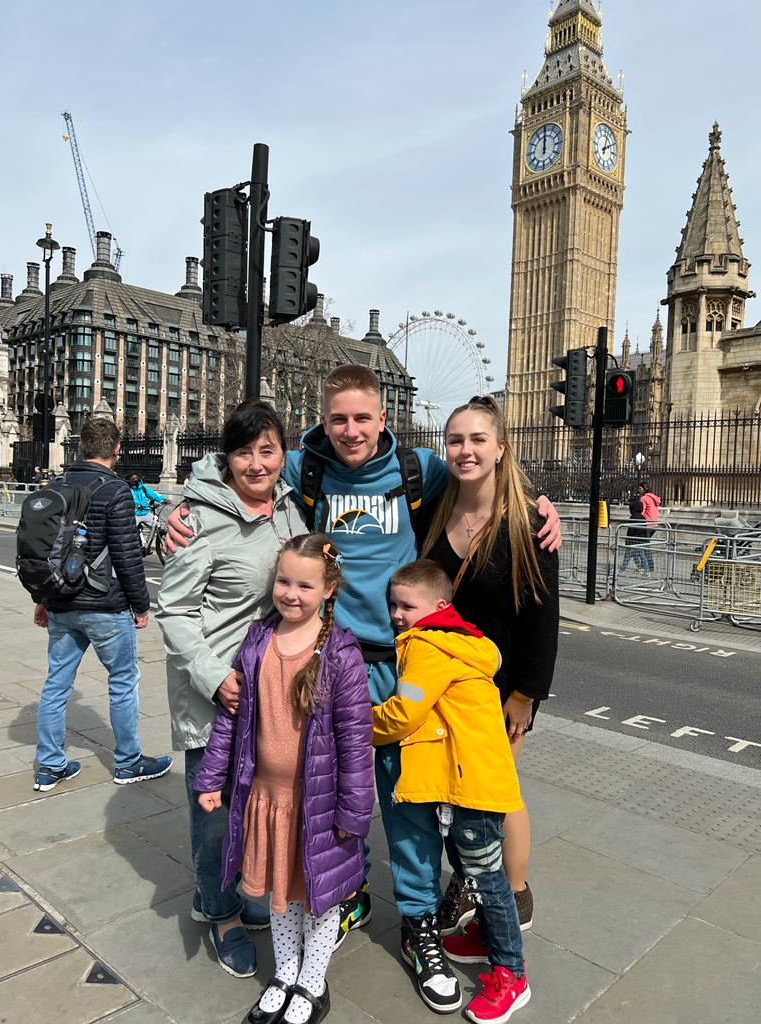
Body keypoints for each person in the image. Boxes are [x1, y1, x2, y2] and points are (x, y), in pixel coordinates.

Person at [166, 365, 562, 1013]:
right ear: (323, 420)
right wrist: (182, 508)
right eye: (338, 418)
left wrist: (539, 504)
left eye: (363, 418)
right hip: (327, 668)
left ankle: (419, 924)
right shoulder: (307, 466)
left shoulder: (418, 470)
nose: (350, 430)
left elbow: (482, 469)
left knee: (407, 804)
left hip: (401, 666)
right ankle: (342, 898)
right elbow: (237, 462)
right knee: (322, 800)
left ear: (384, 419)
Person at [195, 534, 374, 1024]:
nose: (290, 594)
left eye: (305, 585)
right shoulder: (257, 640)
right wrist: (212, 777)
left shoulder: (341, 653)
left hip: (317, 803)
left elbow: (357, 740)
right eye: (283, 581)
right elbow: (231, 719)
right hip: (267, 799)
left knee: (318, 898)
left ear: (329, 590)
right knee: (281, 892)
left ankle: (313, 984)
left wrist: (353, 812)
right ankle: (285, 972)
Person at [157, 401, 307, 978]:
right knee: (214, 809)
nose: (256, 463)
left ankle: (233, 890)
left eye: (267, 449)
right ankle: (218, 911)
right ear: (228, 457)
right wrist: (214, 677)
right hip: (216, 689)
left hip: (271, 689)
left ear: (282, 454)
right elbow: (173, 611)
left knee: (253, 800)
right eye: (244, 451)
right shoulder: (198, 516)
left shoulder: (290, 510)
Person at [419, 395, 559, 947]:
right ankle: (472, 886)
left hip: (502, 690)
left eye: (478, 439)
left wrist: (525, 694)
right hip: (446, 683)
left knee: (493, 795)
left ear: (501, 448)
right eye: (456, 440)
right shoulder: (432, 509)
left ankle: (514, 899)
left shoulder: (527, 522)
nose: (466, 449)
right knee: (460, 795)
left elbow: (543, 619)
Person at [373, 560, 530, 1024]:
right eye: (393, 605)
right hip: (472, 778)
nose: (398, 614)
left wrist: (359, 721)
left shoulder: (428, 646)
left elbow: (405, 713)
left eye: (408, 606)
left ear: (440, 607)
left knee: (486, 879)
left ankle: (511, 975)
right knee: (472, 869)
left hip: (472, 787)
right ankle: (484, 937)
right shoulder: (462, 641)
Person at [31, 417, 172, 791]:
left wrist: (43, 599)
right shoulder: (115, 491)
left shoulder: (57, 485)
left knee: (56, 684)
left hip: (61, 601)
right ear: (117, 449)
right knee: (123, 681)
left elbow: (46, 549)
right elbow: (127, 557)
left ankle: (49, 765)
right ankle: (128, 762)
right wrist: (142, 606)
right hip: (105, 606)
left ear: (79, 448)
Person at [620, 487, 649, 574]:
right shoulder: (643, 517)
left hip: (632, 540)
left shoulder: (633, 517)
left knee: (627, 556)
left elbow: (631, 530)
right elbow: (645, 529)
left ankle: (622, 569)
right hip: (640, 540)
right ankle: (646, 570)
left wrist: (627, 539)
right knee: (641, 555)